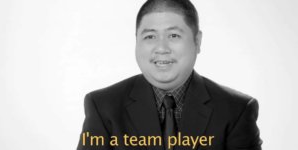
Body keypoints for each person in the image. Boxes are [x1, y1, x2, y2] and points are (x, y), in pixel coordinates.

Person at [77, 0, 262, 149]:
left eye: (173, 36)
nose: (161, 48)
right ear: (136, 41)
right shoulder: (103, 107)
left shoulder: (236, 110)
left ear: (197, 41)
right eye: (150, 36)